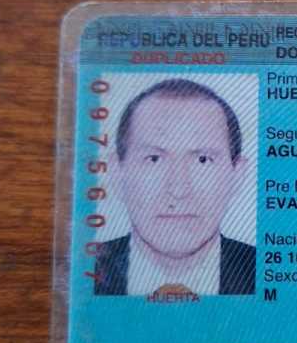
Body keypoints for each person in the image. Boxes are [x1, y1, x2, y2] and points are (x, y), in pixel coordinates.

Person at [94, 78, 254, 296]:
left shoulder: (262, 272)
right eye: (154, 159)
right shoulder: (86, 274)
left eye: (203, 160)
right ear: (117, 174)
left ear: (237, 176)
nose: (178, 190)